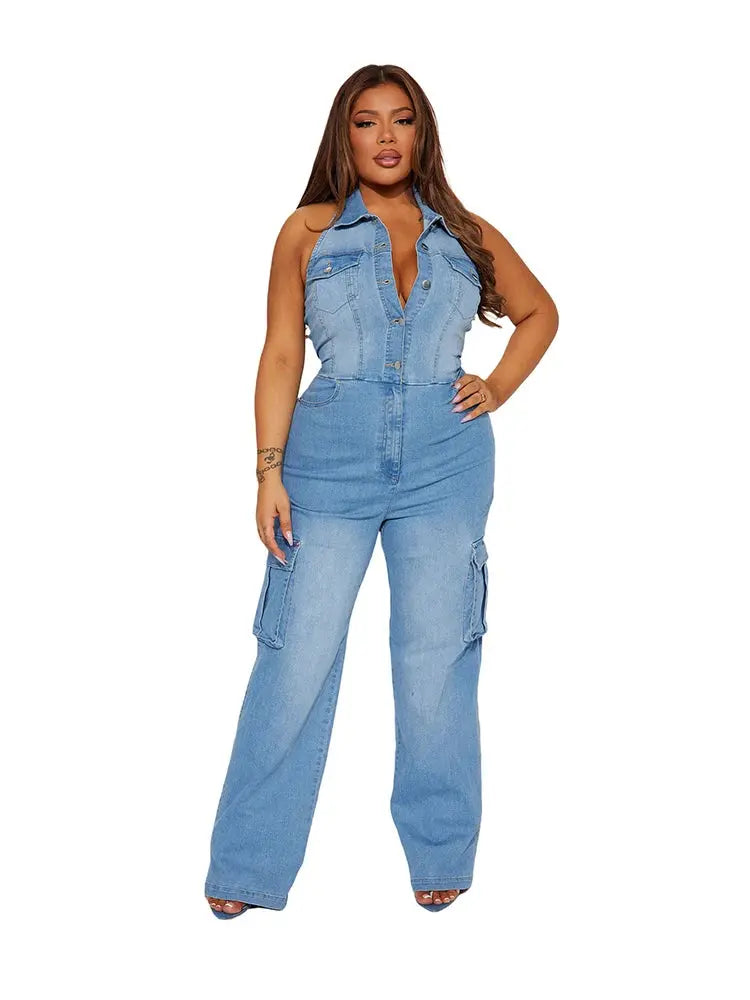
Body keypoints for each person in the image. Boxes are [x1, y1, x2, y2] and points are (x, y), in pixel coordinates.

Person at [205, 64, 558, 917]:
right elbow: (281, 352)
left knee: (438, 657)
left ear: (422, 133)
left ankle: (440, 849)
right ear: (346, 136)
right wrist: (267, 469)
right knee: (295, 655)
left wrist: (497, 387)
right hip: (327, 461)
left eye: (402, 119)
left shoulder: (466, 231)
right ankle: (248, 862)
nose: (387, 136)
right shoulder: (308, 230)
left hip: (447, 462)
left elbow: (540, 313)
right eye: (367, 122)